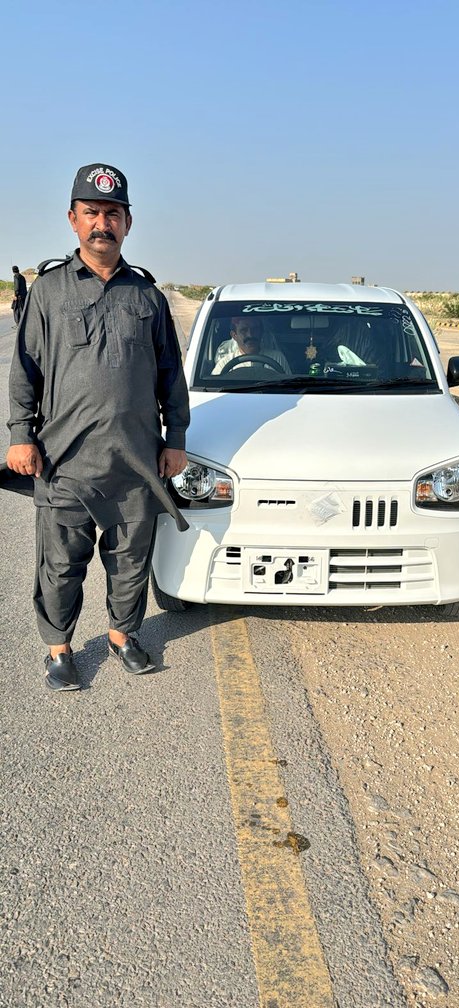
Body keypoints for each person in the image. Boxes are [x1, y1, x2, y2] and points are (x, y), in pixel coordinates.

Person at [5, 163, 190, 692]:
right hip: (63, 460)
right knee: (61, 564)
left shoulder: (147, 298)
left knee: (129, 561)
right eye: (91, 213)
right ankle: (59, 649)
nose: (101, 223)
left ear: (128, 223)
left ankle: (122, 635)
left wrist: (175, 439)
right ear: (72, 219)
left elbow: (169, 374)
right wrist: (21, 434)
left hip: (135, 460)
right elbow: (26, 369)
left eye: (112, 213)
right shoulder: (47, 292)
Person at [212, 315, 290, 374]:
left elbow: (288, 389)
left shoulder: (277, 358)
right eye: (244, 330)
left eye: (255, 329)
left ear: (261, 332)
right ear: (234, 335)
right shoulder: (225, 363)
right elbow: (214, 391)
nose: (250, 335)